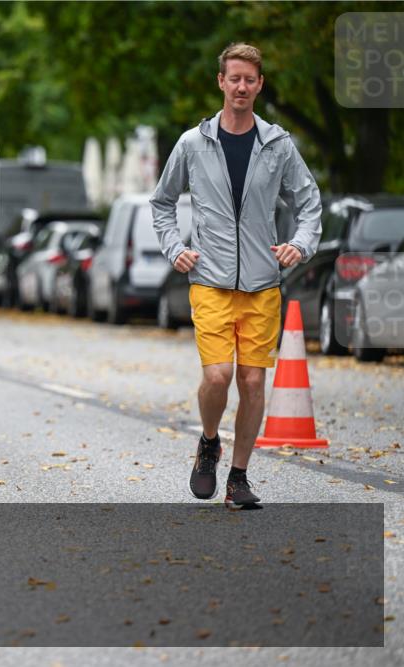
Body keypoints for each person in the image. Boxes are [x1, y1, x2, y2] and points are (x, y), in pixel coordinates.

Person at [150, 43, 322, 509]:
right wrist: (175, 248)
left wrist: (300, 244)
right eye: (234, 78)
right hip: (210, 279)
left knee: (251, 382)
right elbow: (162, 203)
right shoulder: (193, 143)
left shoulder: (278, 145)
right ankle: (209, 442)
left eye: (249, 79)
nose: (241, 86)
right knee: (218, 376)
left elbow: (309, 204)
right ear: (221, 82)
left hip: (263, 283)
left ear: (259, 84)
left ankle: (238, 478)